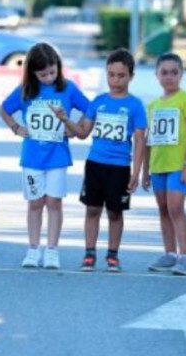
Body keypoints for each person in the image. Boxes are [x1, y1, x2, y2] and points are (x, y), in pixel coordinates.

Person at [0, 42, 90, 269]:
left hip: (57, 157)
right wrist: (16, 127)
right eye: (43, 74)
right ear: (32, 73)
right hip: (32, 157)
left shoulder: (67, 88)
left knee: (54, 202)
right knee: (35, 203)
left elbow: (90, 108)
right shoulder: (26, 91)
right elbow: (4, 108)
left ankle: (52, 249)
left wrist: (73, 126)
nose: (49, 77)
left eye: (53, 72)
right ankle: (33, 249)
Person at [58, 49, 146, 273]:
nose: (115, 80)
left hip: (119, 167)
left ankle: (113, 255)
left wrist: (136, 173)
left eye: (121, 75)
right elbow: (82, 132)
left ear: (131, 76)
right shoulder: (98, 102)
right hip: (96, 164)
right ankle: (89, 253)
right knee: (92, 209)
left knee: (115, 212)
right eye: (111, 75)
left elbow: (139, 141)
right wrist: (66, 119)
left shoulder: (135, 106)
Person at [142, 53, 186, 276]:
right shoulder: (153, 105)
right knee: (163, 209)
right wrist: (146, 170)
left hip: (178, 165)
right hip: (159, 166)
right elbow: (148, 140)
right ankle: (170, 253)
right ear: (157, 75)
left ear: (181, 75)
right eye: (164, 72)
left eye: (174, 72)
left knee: (176, 208)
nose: (169, 77)